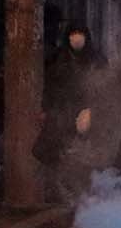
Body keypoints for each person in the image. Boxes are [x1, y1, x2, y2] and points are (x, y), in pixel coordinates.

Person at [37, 25, 109, 198]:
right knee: (53, 148)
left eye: (80, 34)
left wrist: (93, 110)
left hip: (86, 110)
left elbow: (104, 87)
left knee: (82, 150)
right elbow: (49, 86)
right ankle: (57, 188)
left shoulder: (96, 59)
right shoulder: (58, 58)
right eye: (73, 34)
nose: (76, 38)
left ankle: (82, 189)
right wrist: (45, 109)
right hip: (60, 109)